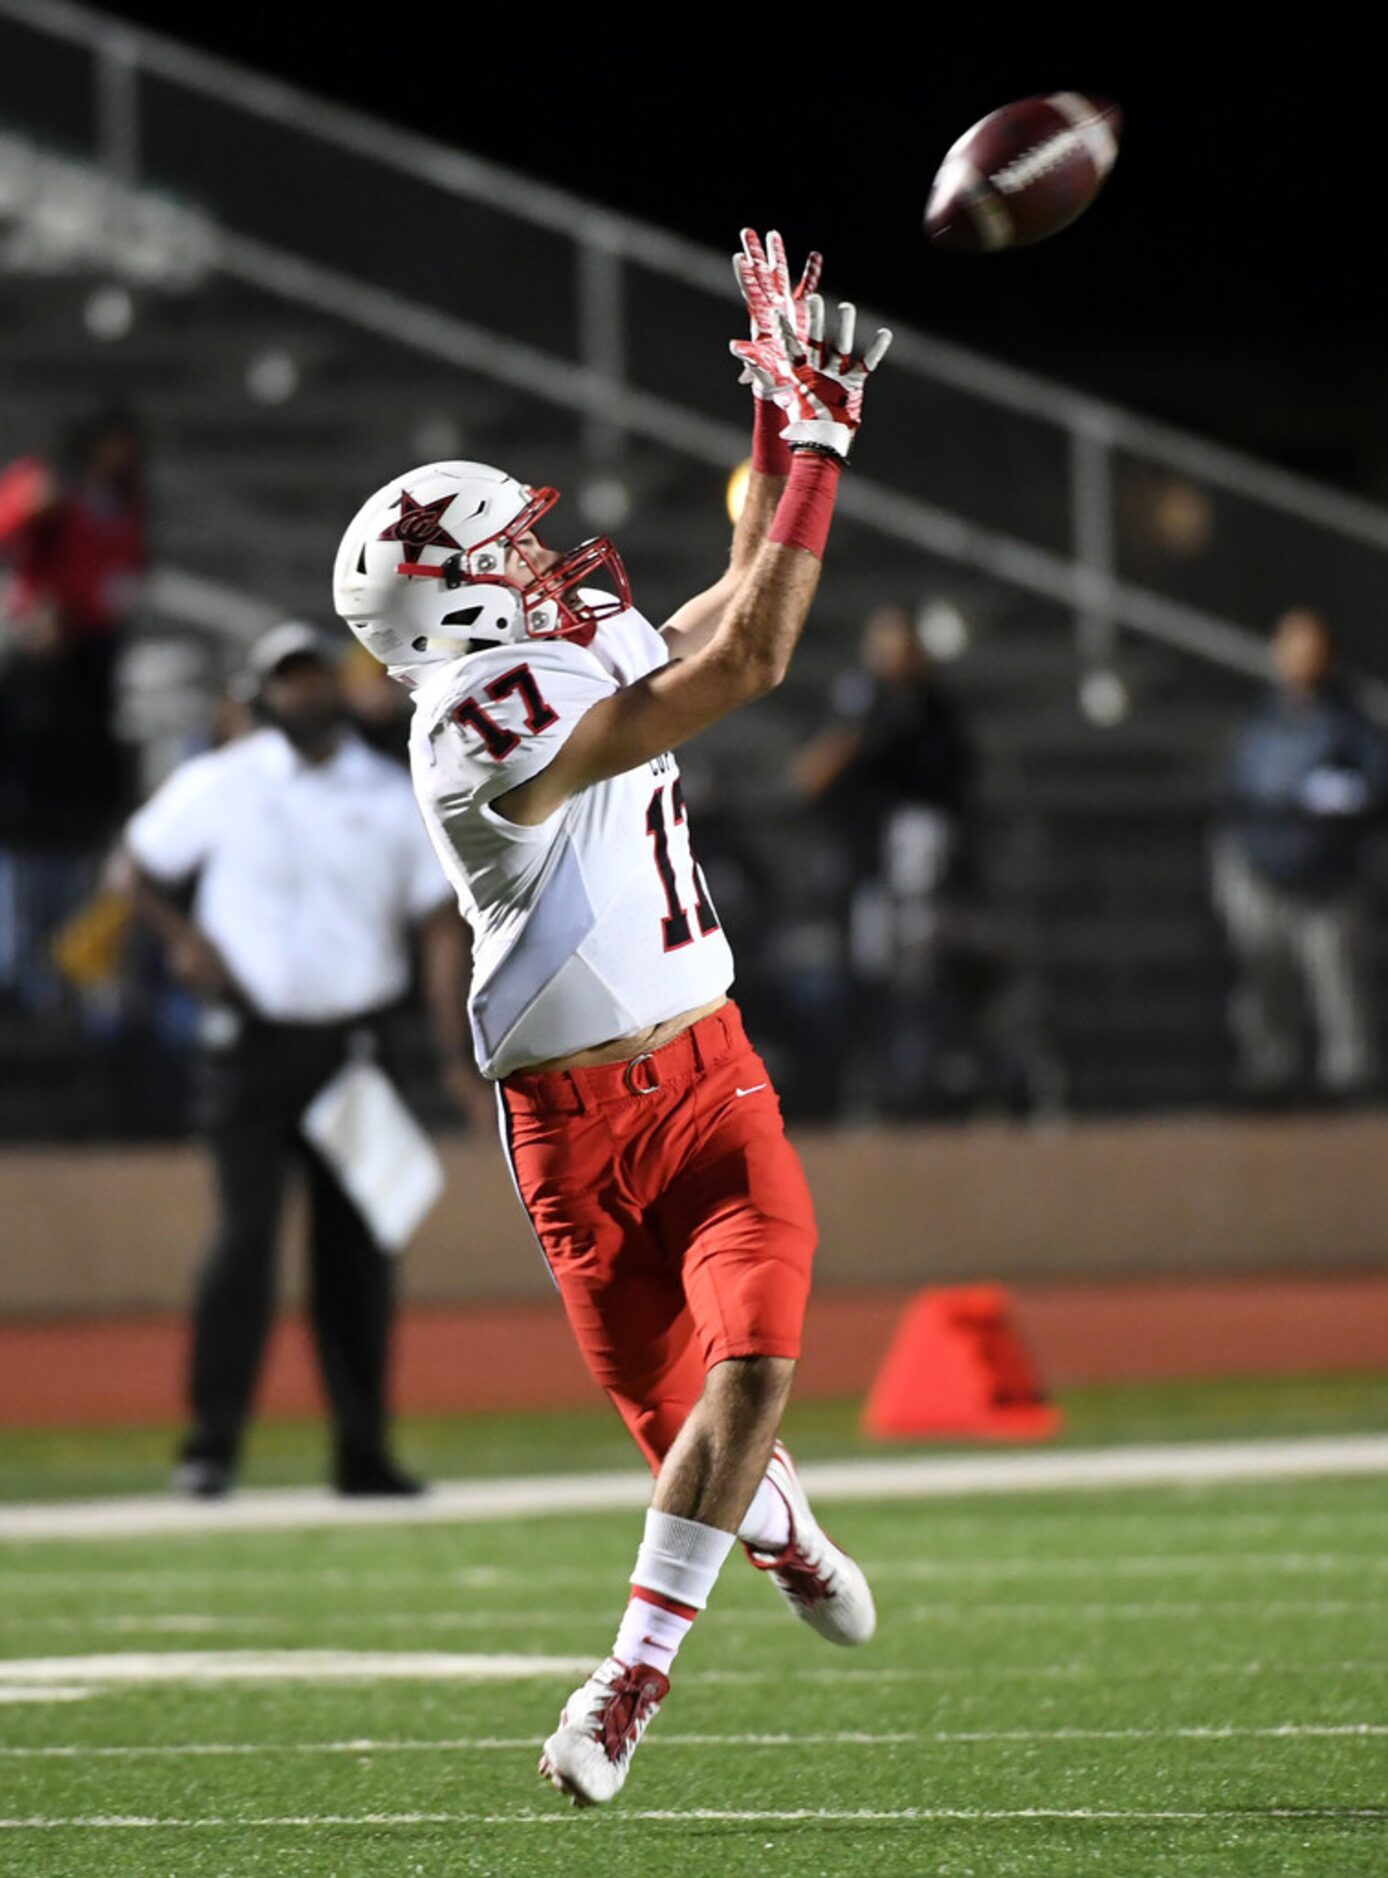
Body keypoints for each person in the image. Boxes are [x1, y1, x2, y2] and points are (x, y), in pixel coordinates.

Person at [333, 230, 891, 1808]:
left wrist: (786, 418)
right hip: (579, 1136)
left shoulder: (549, 655)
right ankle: (775, 1525)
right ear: (442, 611)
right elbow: (757, 657)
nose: (538, 561)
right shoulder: (477, 722)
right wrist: (826, 444)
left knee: (755, 1366)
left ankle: (632, 1672)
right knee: (692, 1443)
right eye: (502, 552)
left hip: (715, 1084)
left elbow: (722, 606)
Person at [123, 621, 483, 1497]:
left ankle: (363, 1451)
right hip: (248, 1046)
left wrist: (452, 1046)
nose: (305, 694)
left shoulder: (390, 793)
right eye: (287, 680)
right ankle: (210, 1447)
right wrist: (183, 941)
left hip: (354, 1047)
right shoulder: (219, 783)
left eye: (314, 676)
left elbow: (438, 923)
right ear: (258, 693)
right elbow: (136, 864)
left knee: (358, 1252)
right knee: (242, 1244)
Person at [792, 604, 980, 1115]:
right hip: (866, 871)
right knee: (869, 979)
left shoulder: (935, 711)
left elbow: (957, 791)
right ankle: (868, 1088)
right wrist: (862, 723)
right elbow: (809, 777)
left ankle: (927, 1086)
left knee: (924, 980)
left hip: (930, 879)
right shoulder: (856, 702)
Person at [0, 409, 147, 1006]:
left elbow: (123, 572)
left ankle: (55, 984)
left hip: (70, 796)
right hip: (18, 810)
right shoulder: (48, 489)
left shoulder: (123, 504)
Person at [1213, 607, 1388, 1100]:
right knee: (1266, 996)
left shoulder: (1351, 721)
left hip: (1329, 883)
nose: (1300, 658)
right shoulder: (1260, 719)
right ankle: (1271, 1085)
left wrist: (1341, 795)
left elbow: (1377, 786)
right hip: (1264, 875)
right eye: (1292, 647)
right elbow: (1235, 792)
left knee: (1342, 994)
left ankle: (1351, 1089)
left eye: (1311, 648)